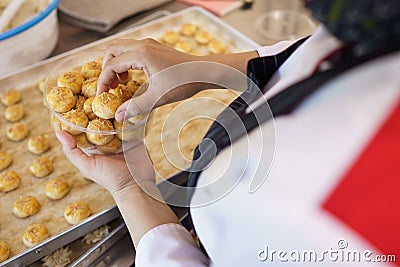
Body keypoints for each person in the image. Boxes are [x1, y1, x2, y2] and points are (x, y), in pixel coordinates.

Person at [56, 0, 400, 265]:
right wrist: (206, 70)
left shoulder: (322, 217)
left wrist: (131, 188)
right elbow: (318, 52)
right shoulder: (375, 22)